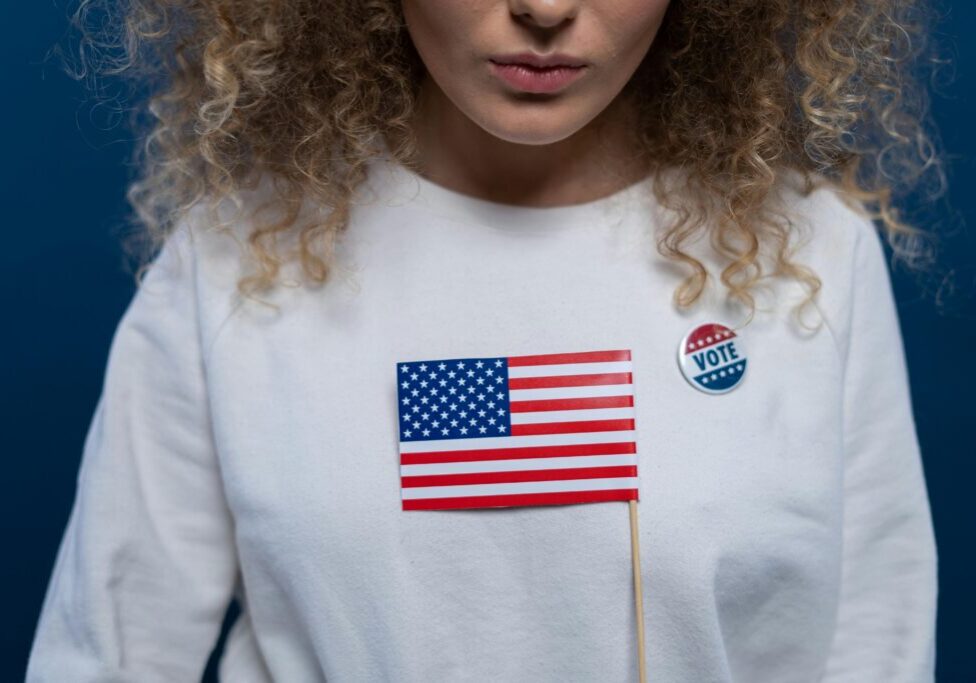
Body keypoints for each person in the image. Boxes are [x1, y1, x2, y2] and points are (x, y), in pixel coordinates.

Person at [27, 0, 941, 680]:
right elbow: (106, 654)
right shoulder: (232, 260)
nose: (544, 10)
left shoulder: (813, 252)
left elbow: (875, 644)